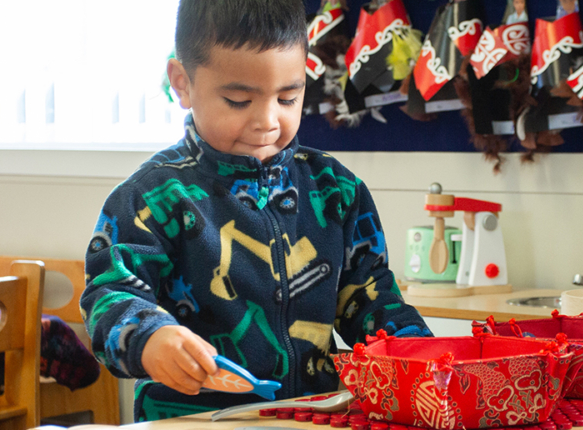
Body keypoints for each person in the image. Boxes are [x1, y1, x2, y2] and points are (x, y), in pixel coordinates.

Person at [79, 0, 432, 421]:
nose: (267, 121)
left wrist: (425, 354)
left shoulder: (337, 190)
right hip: (190, 422)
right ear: (183, 83)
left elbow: (371, 301)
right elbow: (110, 294)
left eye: (288, 97)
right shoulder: (151, 197)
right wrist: (149, 338)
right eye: (238, 100)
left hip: (312, 416)